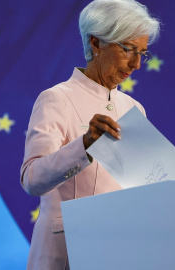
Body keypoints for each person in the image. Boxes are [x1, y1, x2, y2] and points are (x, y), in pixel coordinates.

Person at [20, 0, 160, 268]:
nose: (136, 64)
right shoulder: (56, 99)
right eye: (128, 49)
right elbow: (32, 179)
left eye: (143, 52)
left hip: (117, 252)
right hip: (67, 253)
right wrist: (83, 147)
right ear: (96, 44)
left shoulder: (133, 108)